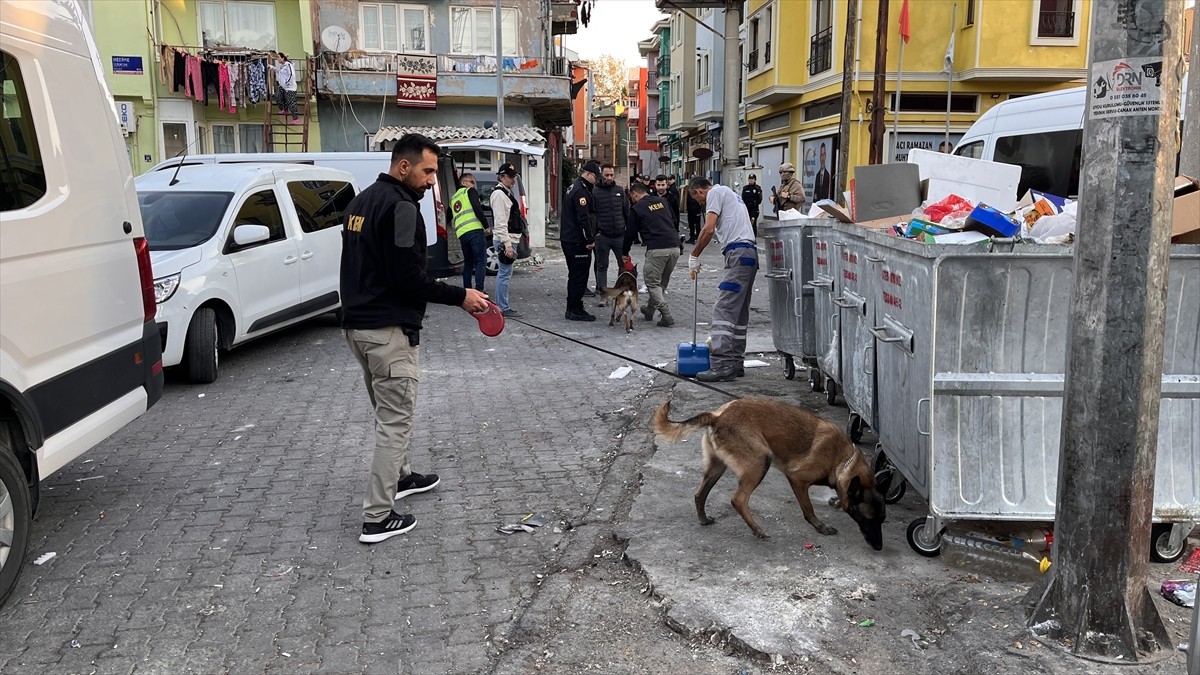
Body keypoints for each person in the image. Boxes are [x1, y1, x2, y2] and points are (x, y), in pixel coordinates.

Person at [340, 133, 489, 543]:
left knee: (388, 413)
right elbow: (406, 278)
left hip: (357, 328)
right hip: (388, 331)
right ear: (403, 167)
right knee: (395, 422)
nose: (431, 181)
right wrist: (461, 297)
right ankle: (377, 516)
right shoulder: (402, 206)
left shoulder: (360, 202)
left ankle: (402, 477)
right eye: (427, 171)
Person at [686, 176, 758, 382]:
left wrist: (694, 255)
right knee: (739, 312)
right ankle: (735, 363)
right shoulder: (731, 194)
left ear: (698, 192)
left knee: (723, 310)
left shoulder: (715, 193)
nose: (702, 204)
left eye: (699, 201)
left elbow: (708, 228)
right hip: (749, 254)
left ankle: (721, 364)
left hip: (737, 253)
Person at [622, 183, 680, 327]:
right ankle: (649, 310)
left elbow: (630, 233)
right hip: (674, 247)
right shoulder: (663, 201)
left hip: (657, 249)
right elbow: (674, 221)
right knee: (661, 283)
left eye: (631, 197)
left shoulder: (637, 208)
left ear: (635, 194)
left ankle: (666, 315)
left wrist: (624, 252)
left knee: (652, 284)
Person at [562, 160, 600, 321]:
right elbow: (583, 218)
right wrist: (589, 239)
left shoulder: (575, 186)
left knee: (575, 275)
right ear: (588, 174)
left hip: (570, 238)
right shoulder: (581, 191)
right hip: (577, 240)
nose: (596, 181)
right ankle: (575, 309)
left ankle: (573, 307)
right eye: (595, 177)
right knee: (579, 275)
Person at [490, 162, 525, 319]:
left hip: (509, 238)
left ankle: (502, 306)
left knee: (505, 273)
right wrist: (508, 245)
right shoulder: (499, 195)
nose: (513, 180)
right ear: (502, 177)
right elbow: (500, 223)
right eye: (510, 177)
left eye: (514, 177)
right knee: (504, 274)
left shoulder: (505, 193)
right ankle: (502, 307)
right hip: (506, 239)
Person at [592, 163, 629, 304]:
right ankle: (604, 295)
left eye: (611, 175)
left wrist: (628, 232)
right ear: (601, 175)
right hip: (603, 236)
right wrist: (595, 232)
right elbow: (591, 214)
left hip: (620, 235)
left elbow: (627, 212)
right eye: (606, 175)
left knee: (623, 265)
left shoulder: (619, 191)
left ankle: (621, 292)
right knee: (602, 266)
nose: (609, 177)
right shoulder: (594, 192)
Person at [451, 173, 489, 292]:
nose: (474, 185)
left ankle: (467, 291)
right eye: (472, 182)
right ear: (463, 183)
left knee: (468, 263)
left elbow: (447, 216)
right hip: (475, 231)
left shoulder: (453, 198)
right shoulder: (470, 191)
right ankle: (479, 291)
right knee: (480, 262)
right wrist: (486, 225)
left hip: (462, 234)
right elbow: (477, 208)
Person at [268, 51, 299, 123]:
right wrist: (271, 67)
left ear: (283, 58)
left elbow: (291, 75)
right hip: (282, 86)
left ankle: (295, 118)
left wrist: (286, 83)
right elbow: (280, 71)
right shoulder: (282, 66)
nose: (277, 59)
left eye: (278, 57)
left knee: (291, 102)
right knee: (277, 96)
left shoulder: (289, 65)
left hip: (290, 87)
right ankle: (284, 110)